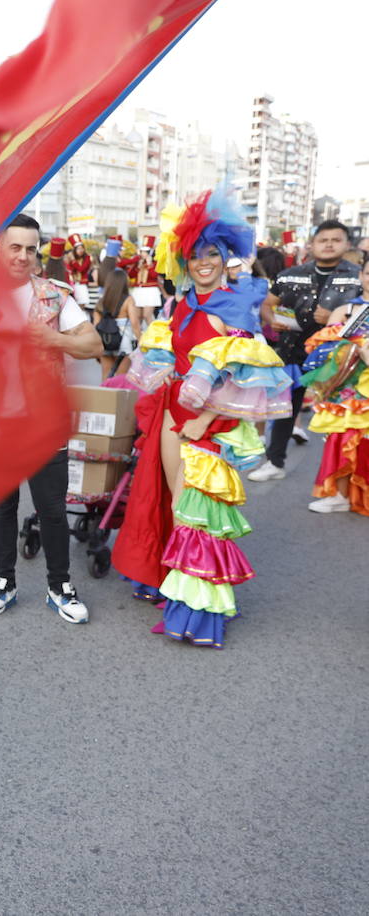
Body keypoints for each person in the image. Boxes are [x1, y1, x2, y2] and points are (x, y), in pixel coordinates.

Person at [116, 189, 293, 648]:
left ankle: (199, 610)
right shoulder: (182, 304)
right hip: (175, 413)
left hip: (210, 421)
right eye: (194, 256)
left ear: (225, 256)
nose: (203, 263)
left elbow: (247, 378)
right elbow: (170, 360)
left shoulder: (234, 307)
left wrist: (204, 418)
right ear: (183, 262)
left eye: (211, 254)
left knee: (199, 511)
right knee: (173, 503)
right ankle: (176, 587)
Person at [0, 214, 103, 625]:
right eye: (15, 247)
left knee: (51, 508)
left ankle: (59, 586)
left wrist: (54, 339)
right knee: (2, 506)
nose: (23, 256)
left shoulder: (54, 296)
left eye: (31, 249)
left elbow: (93, 343)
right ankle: (3, 582)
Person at [249, 219, 363, 482]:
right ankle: (274, 462)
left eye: (336, 240)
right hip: (292, 353)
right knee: (284, 409)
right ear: (312, 244)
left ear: (346, 244)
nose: (329, 245)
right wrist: (271, 319)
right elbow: (268, 304)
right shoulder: (291, 274)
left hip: (342, 359)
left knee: (344, 417)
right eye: (323, 240)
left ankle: (343, 480)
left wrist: (337, 322)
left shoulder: (358, 275)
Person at [300, 266, 369, 514]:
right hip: (346, 388)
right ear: (361, 275)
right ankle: (339, 494)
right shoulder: (345, 310)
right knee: (341, 439)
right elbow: (322, 351)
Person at [92, 266, 132, 379]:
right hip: (124, 342)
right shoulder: (128, 300)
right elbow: (135, 323)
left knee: (105, 375)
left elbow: (96, 326)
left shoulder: (101, 302)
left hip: (105, 342)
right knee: (121, 378)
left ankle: (105, 396)